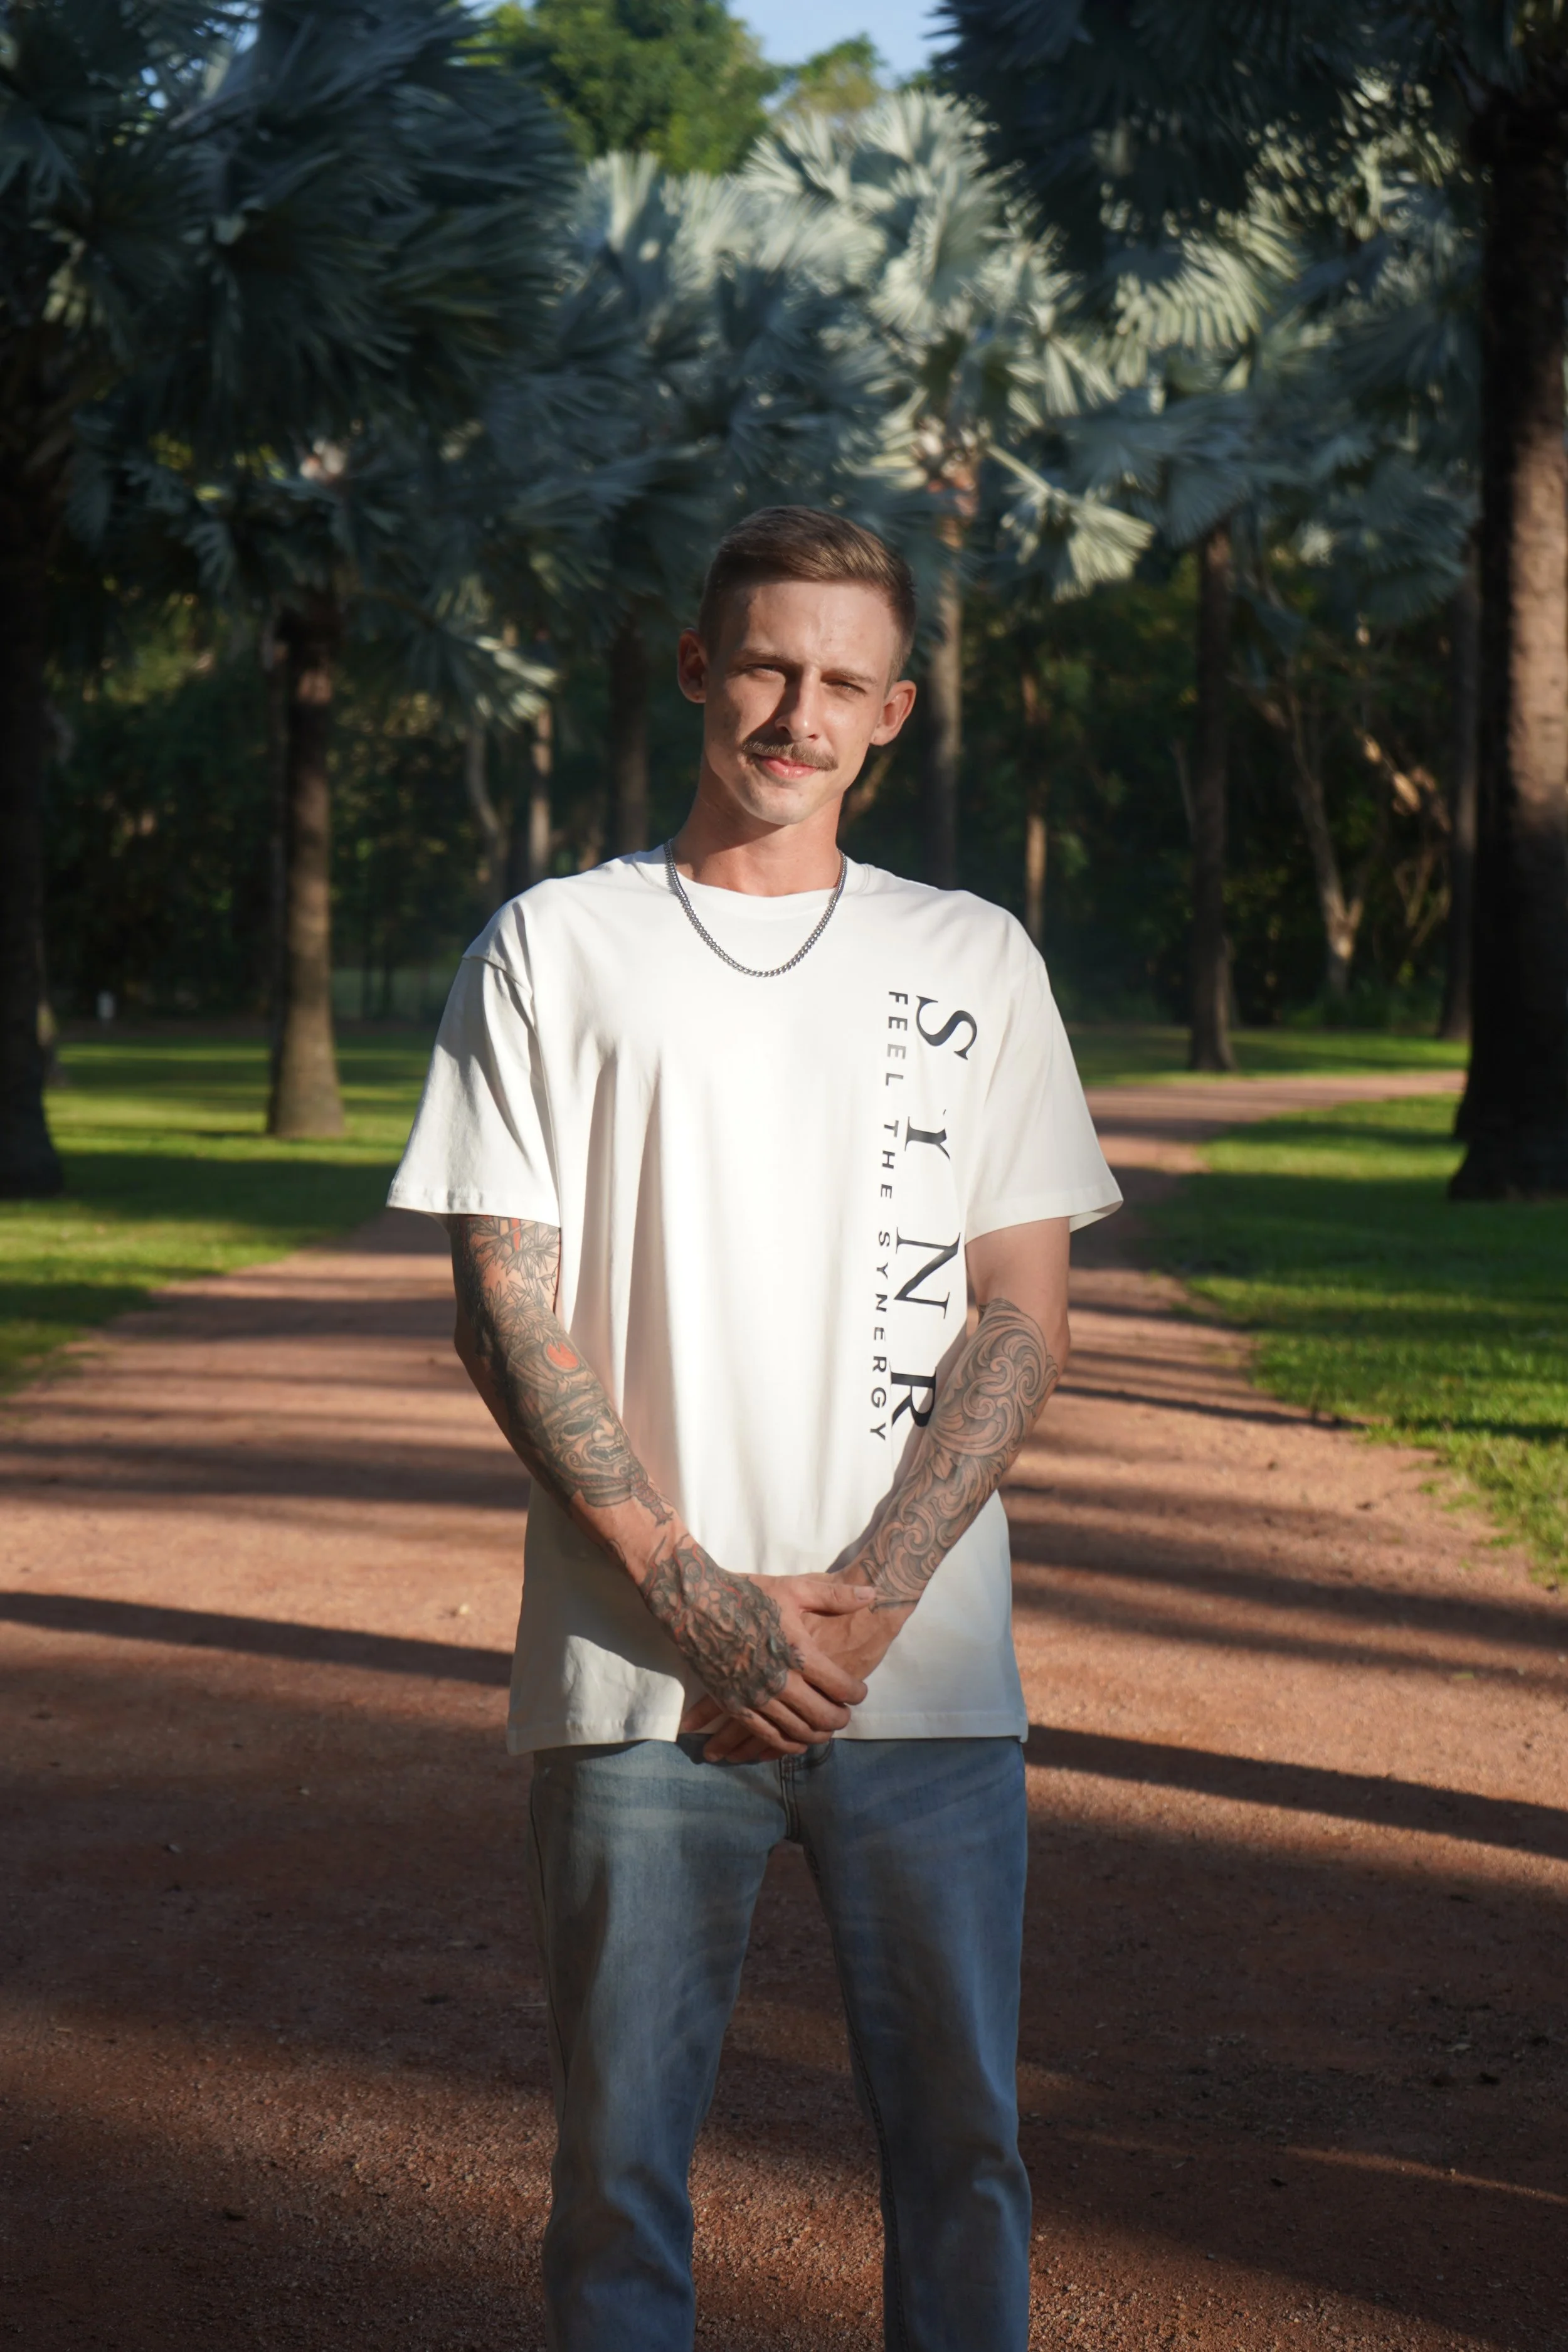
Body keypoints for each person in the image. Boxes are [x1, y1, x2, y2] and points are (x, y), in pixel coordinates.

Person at [388, 506, 1121, 2351]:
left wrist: (865, 1594)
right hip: (641, 1681)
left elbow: (1020, 1312)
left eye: (843, 679)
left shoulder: (978, 957)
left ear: (898, 712)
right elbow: (504, 1305)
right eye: (769, 665)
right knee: (620, 2179)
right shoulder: (556, 944)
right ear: (699, 667)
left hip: (923, 1683)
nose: (798, 710)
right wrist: (691, 1592)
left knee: (963, 2153)